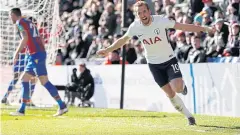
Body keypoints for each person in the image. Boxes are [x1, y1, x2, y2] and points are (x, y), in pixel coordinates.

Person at [97, 0, 212, 125]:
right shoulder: (135, 26)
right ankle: (189, 116)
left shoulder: (160, 21)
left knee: (177, 88)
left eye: (144, 11)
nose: (143, 15)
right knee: (170, 94)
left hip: (168, 59)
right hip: (153, 64)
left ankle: (183, 87)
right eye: (139, 13)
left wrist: (204, 28)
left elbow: (182, 26)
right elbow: (123, 40)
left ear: (149, 11)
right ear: (137, 15)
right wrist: (108, 50)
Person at [9, 8, 67, 116]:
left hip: (35, 54)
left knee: (44, 81)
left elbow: (25, 38)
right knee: (24, 79)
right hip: (36, 54)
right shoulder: (29, 22)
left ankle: (62, 105)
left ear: (13, 14)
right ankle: (22, 109)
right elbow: (38, 37)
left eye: (10, 15)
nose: (9, 18)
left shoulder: (19, 22)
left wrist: (16, 53)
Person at [1, 17, 37, 105]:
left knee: (16, 78)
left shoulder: (22, 30)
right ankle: (26, 99)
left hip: (20, 55)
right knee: (33, 78)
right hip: (28, 56)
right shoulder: (32, 32)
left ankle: (5, 97)